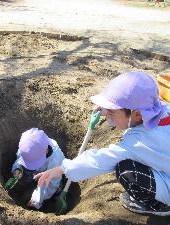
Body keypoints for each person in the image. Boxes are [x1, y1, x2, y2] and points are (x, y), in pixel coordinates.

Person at [34, 71, 170, 216]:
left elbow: (100, 160)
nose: (108, 118)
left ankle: (159, 206)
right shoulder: (159, 110)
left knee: (127, 172)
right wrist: (108, 109)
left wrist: (62, 169)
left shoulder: (138, 143)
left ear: (137, 114)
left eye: (112, 113)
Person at [9, 128, 65, 209]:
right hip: (34, 172)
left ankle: (54, 196)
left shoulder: (55, 160)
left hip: (49, 175)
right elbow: (19, 158)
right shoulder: (27, 144)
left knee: (54, 188)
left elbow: (52, 184)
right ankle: (18, 190)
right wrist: (17, 169)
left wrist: (36, 199)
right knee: (24, 176)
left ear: (46, 151)